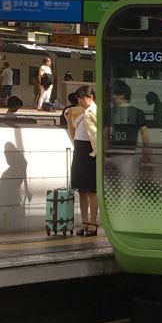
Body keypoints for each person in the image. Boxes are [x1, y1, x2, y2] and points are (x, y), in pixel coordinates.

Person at [69, 85, 99, 236]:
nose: (79, 101)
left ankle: (93, 222)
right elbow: (73, 135)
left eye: (82, 98)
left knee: (92, 190)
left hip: (91, 152)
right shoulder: (81, 113)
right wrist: (69, 119)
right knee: (82, 190)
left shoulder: (95, 112)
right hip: (80, 150)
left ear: (90, 98)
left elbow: (99, 133)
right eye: (78, 98)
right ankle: (85, 222)